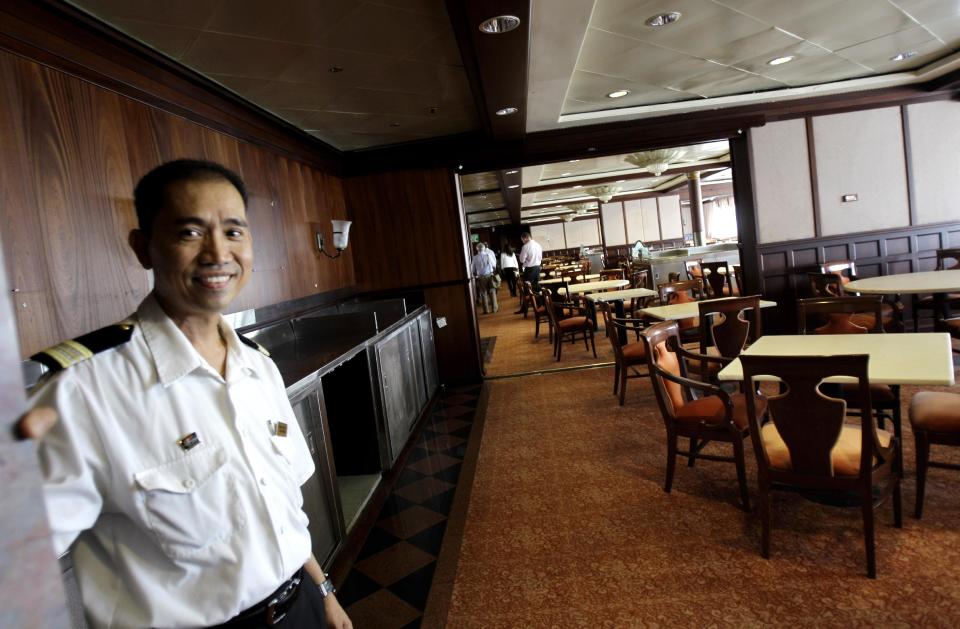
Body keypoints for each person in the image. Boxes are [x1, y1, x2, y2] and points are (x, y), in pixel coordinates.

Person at [25, 159, 352, 628]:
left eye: (234, 232)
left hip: (300, 607)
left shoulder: (258, 367)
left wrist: (324, 593)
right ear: (143, 247)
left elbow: (281, 510)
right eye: (190, 233)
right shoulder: (82, 392)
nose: (218, 253)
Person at [515, 232, 543, 314]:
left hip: (530, 269)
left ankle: (524, 308)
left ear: (525, 238)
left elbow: (521, 260)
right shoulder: (538, 245)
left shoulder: (525, 246)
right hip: (537, 268)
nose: (522, 241)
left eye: (522, 240)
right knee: (537, 288)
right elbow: (540, 257)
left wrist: (522, 256)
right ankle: (540, 306)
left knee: (527, 289)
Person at [470, 241, 498, 314]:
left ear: (477, 249)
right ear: (484, 248)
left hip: (481, 277)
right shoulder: (488, 255)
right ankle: (494, 309)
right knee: (492, 291)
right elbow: (494, 264)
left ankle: (486, 310)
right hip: (489, 275)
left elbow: (472, 269)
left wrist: (475, 274)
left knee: (483, 293)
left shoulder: (475, 258)